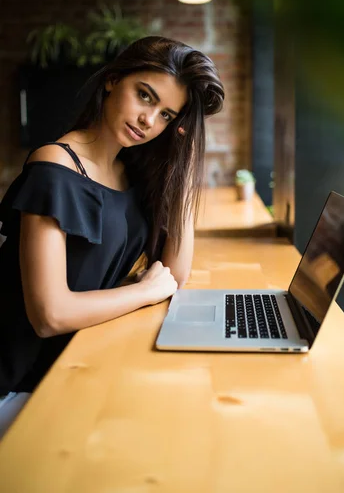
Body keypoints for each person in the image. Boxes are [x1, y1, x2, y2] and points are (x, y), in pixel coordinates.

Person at [0, 35, 224, 438]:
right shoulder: (56, 166)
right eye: (144, 96)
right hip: (14, 381)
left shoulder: (130, 173)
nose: (148, 121)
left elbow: (174, 273)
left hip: (71, 367)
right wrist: (143, 292)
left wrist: (185, 170)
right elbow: (49, 316)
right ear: (111, 81)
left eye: (167, 116)